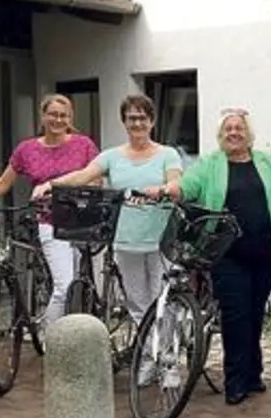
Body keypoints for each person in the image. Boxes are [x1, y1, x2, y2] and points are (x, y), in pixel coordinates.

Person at [179, 108, 271, 404]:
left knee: (255, 312)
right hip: (227, 253)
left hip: (265, 251)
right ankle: (235, 380)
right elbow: (189, 185)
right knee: (235, 315)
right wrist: (172, 189)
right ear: (221, 135)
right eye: (228, 129)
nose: (234, 133)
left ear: (249, 134)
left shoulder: (268, 162)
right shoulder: (211, 164)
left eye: (239, 128)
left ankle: (253, 374)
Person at [32, 94, 184, 335]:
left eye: (142, 118)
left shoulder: (168, 154)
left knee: (163, 302)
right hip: (125, 241)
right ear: (124, 122)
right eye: (131, 118)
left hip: (160, 241)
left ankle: (166, 364)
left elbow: (176, 183)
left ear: (152, 122)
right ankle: (147, 357)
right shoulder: (112, 156)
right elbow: (83, 175)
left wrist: (164, 189)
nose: (137, 124)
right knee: (136, 304)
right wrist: (51, 185)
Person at [0, 95, 98, 324]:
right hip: (49, 221)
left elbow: (96, 180)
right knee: (64, 286)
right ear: (43, 116)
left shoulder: (84, 145)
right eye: (53, 114)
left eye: (63, 115)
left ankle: (75, 334)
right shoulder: (27, 149)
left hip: (80, 221)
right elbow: (3, 183)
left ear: (70, 119)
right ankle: (50, 338)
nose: (58, 120)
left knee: (78, 286)